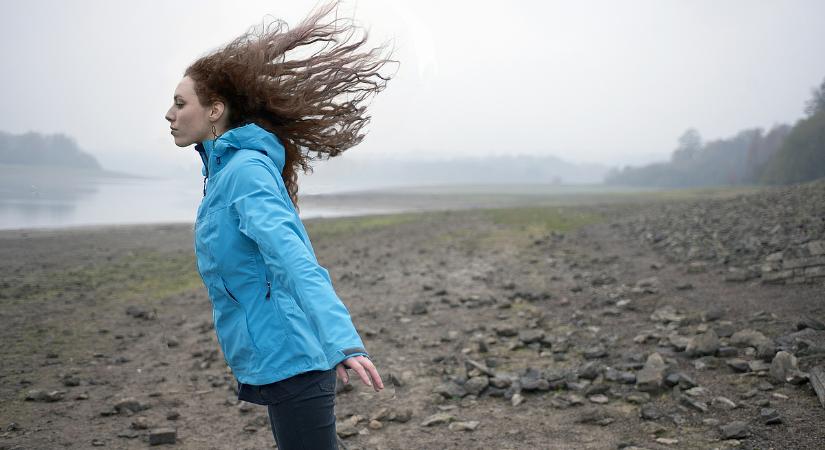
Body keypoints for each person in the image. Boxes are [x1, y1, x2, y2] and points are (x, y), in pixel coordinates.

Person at [163, 2, 395, 448]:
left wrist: (344, 342)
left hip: (294, 354)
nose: (169, 114)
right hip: (274, 352)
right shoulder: (222, 175)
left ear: (215, 110)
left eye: (180, 103)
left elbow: (294, 259)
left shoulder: (244, 172)